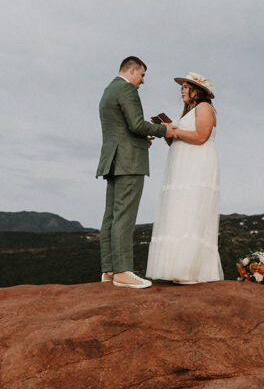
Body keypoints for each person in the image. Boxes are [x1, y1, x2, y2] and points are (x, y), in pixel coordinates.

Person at [96, 56, 174, 289]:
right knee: (124, 218)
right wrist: (165, 129)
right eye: (141, 75)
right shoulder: (128, 90)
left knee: (110, 216)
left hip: (113, 161)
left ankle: (109, 270)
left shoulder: (109, 90)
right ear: (131, 70)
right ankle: (122, 271)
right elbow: (137, 124)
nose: (142, 81)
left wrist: (141, 140)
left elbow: (123, 129)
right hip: (129, 163)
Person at [145, 72, 224, 284]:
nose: (181, 90)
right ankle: (177, 268)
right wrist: (167, 132)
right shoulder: (188, 112)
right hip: (182, 167)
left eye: (185, 87)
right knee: (179, 211)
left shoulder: (205, 108)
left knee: (192, 210)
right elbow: (177, 142)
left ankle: (192, 270)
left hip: (197, 166)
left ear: (196, 91)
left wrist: (175, 131)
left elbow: (201, 136)